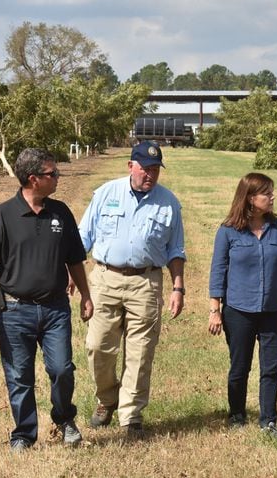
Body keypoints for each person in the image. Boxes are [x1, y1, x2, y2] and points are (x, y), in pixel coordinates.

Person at [0, 148, 93, 453]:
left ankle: (65, 419)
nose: (58, 178)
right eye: (52, 174)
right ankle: (24, 435)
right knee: (19, 376)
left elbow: (75, 260)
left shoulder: (61, 213)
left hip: (55, 309)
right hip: (14, 310)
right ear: (33, 179)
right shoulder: (3, 216)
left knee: (62, 368)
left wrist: (86, 296)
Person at [76, 140, 186, 441]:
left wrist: (178, 287)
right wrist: (71, 273)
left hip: (146, 282)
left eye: (155, 170)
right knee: (98, 346)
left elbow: (176, 249)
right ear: (130, 167)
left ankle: (131, 417)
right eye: (145, 169)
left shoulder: (169, 203)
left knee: (140, 353)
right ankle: (107, 399)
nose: (150, 175)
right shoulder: (106, 194)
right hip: (104, 278)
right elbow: (83, 237)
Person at [208, 173, 277, 439]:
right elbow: (218, 272)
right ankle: (237, 413)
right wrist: (215, 310)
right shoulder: (228, 231)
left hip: (273, 311)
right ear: (250, 198)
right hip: (238, 311)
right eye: (266, 193)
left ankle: (268, 420)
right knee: (240, 366)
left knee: (271, 368)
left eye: (272, 192)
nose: (272, 197)